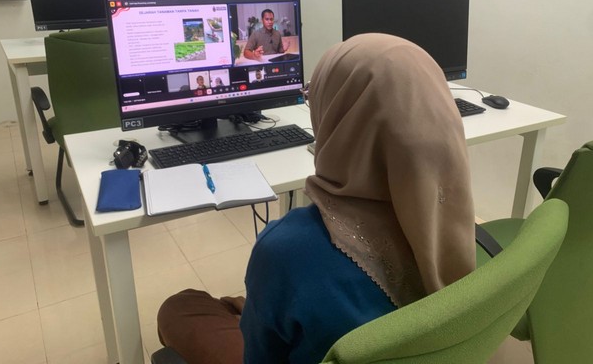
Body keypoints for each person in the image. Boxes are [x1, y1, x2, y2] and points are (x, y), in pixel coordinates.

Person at [157, 33, 476, 364]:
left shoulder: (286, 250)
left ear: (336, 114)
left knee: (181, 306)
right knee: (251, 304)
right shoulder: (453, 221)